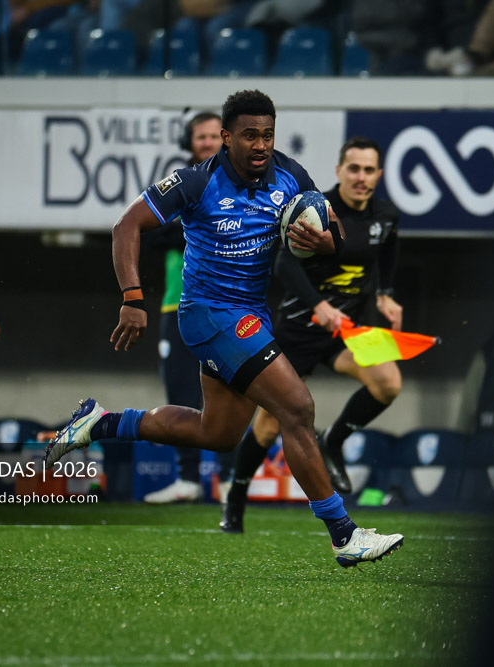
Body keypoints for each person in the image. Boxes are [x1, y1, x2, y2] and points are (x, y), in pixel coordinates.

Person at [45, 89, 404, 567]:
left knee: (217, 433)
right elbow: (125, 226)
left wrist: (320, 241)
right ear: (227, 137)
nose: (260, 145)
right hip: (209, 315)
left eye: (268, 135)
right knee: (297, 408)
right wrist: (132, 298)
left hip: (249, 314)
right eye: (250, 135)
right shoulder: (196, 181)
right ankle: (344, 534)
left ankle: (101, 422)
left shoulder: (291, 173)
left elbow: (334, 234)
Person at [219, 136, 403, 533]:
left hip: (347, 330)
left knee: (388, 382)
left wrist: (386, 295)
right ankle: (235, 495)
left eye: (369, 170)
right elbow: (284, 263)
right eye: (354, 168)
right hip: (301, 327)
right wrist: (318, 305)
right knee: (268, 425)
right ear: (339, 171)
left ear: (379, 175)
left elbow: (388, 248)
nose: (361, 177)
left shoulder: (386, 215)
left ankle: (332, 443)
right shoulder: (317, 208)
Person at [142, 111, 222, 504]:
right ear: (190, 142)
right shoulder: (178, 182)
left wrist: (185, 227)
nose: (207, 142)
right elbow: (150, 232)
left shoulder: (239, 185)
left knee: (232, 391)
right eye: (200, 136)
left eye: (212, 136)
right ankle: (188, 478)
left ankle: (229, 480)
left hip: (228, 304)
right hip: (177, 302)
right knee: (180, 391)